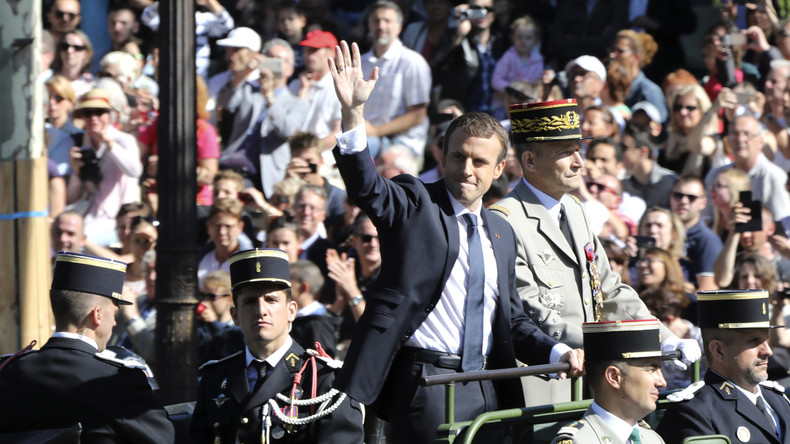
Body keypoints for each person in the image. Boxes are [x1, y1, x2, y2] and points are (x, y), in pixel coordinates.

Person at [328, 40, 583, 443]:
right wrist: (353, 112)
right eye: (458, 157)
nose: (466, 170)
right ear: (443, 156)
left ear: (500, 168)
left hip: (488, 385)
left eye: (479, 161)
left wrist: (557, 353)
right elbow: (368, 189)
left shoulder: (500, 232)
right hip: (426, 383)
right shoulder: (415, 201)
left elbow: (513, 321)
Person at [490, 98, 700, 406]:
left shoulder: (574, 209)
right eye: (565, 152)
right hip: (550, 381)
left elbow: (610, 290)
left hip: (597, 377)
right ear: (530, 161)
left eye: (578, 149)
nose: (579, 162)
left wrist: (664, 337)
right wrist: (617, 344)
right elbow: (531, 311)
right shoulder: (505, 219)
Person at [189, 248, 364, 443]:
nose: (261, 310)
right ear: (235, 315)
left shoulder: (323, 379)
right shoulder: (215, 377)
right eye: (249, 302)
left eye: (271, 300)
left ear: (291, 311)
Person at [0, 252, 174, 443]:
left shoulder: (8, 371)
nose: (115, 322)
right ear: (97, 315)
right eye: (114, 313)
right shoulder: (119, 382)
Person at [657, 289, 790, 443]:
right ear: (719, 350)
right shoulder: (695, 412)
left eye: (766, 340)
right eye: (754, 341)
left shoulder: (778, 400)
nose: (768, 351)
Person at [551, 319, 672, 444]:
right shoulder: (578, 441)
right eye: (651, 369)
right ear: (614, 377)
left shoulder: (653, 439)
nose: (662, 382)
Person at [67, 88, 143, 247]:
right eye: (88, 113)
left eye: (99, 112)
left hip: (116, 222)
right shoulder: (86, 147)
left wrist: (110, 145)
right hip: (89, 216)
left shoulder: (124, 141)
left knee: (76, 245)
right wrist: (76, 171)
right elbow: (72, 198)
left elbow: (134, 171)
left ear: (110, 116)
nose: (93, 118)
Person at [359, 1, 431, 159]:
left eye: (387, 21)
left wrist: (375, 131)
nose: (381, 26)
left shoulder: (412, 62)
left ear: (399, 27)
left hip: (402, 141)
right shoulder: (359, 63)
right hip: (365, 136)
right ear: (369, 25)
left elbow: (418, 115)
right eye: (376, 21)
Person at [669, 176, 722, 291]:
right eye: (678, 196)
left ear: (703, 203)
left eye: (691, 198)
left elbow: (709, 290)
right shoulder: (661, 233)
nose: (683, 201)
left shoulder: (707, 240)